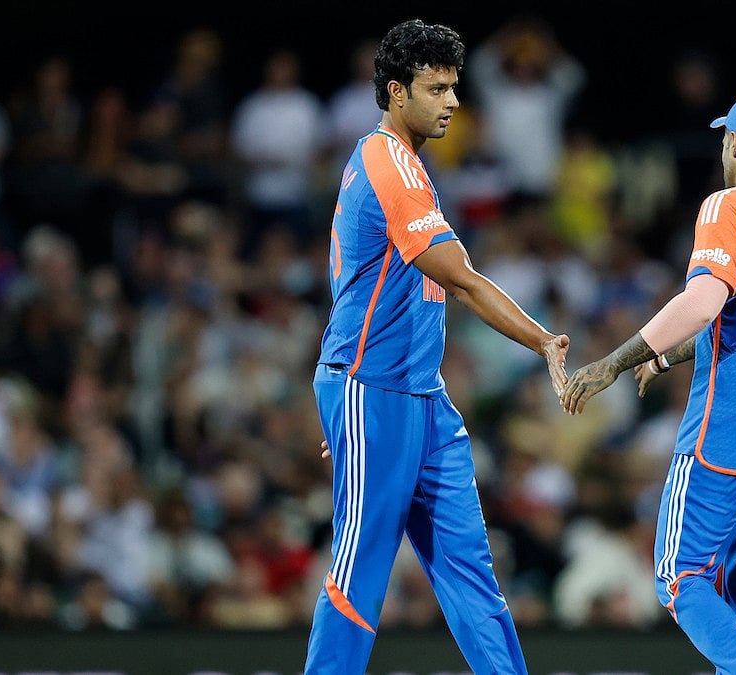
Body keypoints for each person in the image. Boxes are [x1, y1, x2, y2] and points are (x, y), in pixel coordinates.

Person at [302, 19, 569, 675]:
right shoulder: (387, 162)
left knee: (471, 571)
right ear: (397, 92)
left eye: (454, 86)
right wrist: (542, 340)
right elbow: (461, 279)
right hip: (375, 389)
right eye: (437, 88)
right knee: (361, 568)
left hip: (419, 395)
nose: (452, 101)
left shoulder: (409, 164)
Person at [562, 91, 736, 675]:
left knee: (679, 576)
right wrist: (667, 357)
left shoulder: (728, 205)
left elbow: (704, 301)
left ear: (733, 142)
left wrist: (615, 361)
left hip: (735, 422)